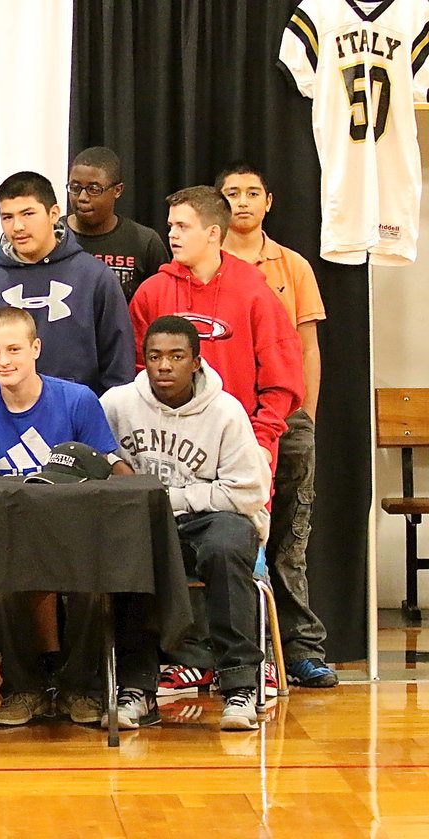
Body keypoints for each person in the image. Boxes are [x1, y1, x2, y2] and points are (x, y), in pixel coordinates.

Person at [128, 186, 303, 694]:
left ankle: (255, 660)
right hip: (168, 452)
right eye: (170, 225)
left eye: (182, 226)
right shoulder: (152, 292)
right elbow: (139, 374)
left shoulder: (253, 290)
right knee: (170, 547)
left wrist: (262, 437)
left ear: (212, 233)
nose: (171, 234)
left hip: (237, 449)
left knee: (238, 551)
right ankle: (192, 655)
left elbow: (284, 377)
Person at [0, 306, 130, 726]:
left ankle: (78, 687)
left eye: (15, 349)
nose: (5, 361)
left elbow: (106, 472)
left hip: (76, 533)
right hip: (12, 535)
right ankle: (23, 688)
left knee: (93, 579)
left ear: (36, 348)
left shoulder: (78, 400)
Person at [101, 316, 272, 730]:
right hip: (146, 522)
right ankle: (137, 688)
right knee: (131, 547)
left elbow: (249, 491)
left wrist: (170, 499)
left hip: (216, 519)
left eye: (176, 356)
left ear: (196, 361)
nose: (164, 366)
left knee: (226, 547)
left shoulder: (225, 411)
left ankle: (240, 687)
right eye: (155, 356)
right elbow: (99, 463)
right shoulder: (116, 405)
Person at [218, 162, 337, 688]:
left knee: (290, 536)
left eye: (251, 193)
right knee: (231, 537)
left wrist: (303, 413)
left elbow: (307, 346)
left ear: (269, 201)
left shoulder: (292, 266)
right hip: (227, 424)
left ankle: (299, 648)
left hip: (285, 419)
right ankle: (230, 653)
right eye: (231, 194)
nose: (242, 202)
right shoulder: (210, 265)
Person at [0, 170, 134, 403]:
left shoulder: (95, 278)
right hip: (3, 427)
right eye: (7, 217)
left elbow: (118, 370)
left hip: (77, 425)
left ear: (53, 214)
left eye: (28, 214)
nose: (17, 226)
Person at [65, 146, 169, 303]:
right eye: (75, 188)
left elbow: (161, 301)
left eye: (94, 189)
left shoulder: (144, 242)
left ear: (117, 190)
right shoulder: (52, 234)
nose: (82, 197)